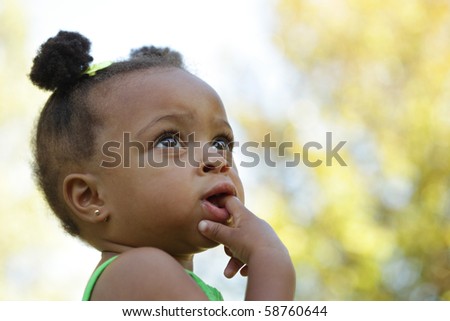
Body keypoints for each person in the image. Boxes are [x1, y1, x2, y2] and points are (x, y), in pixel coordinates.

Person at [29, 30, 296, 300]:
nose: (216, 159)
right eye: (169, 142)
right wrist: (270, 260)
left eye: (220, 142)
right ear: (90, 197)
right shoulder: (138, 272)